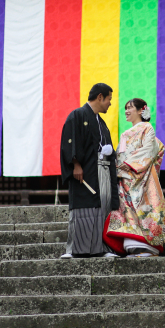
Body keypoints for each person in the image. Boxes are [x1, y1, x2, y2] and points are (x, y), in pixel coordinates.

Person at [103, 98, 165, 257]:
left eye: (130, 108)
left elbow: (149, 150)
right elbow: (121, 155)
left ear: (140, 111)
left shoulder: (147, 128)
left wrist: (130, 164)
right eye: (125, 109)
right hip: (125, 178)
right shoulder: (125, 133)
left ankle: (147, 248)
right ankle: (133, 247)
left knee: (143, 210)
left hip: (140, 176)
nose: (126, 111)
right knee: (128, 212)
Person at [59, 83, 120, 258]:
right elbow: (69, 141)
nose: (110, 103)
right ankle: (74, 249)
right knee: (83, 210)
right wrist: (76, 164)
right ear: (100, 97)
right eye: (109, 99)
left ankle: (103, 248)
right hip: (85, 172)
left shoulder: (101, 122)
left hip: (102, 171)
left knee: (103, 207)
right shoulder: (77, 115)